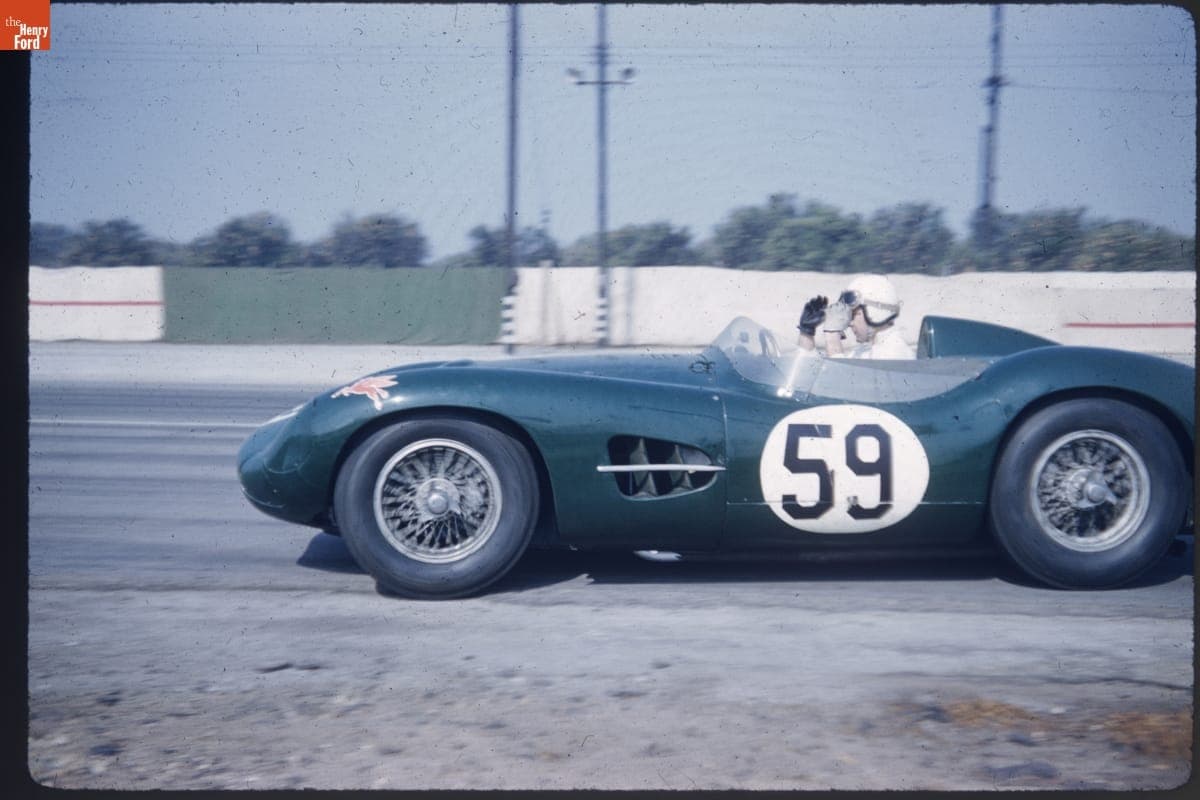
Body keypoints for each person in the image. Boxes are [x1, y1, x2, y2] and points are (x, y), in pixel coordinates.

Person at [796, 274, 914, 359]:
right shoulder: (864, 350)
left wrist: (832, 336)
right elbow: (816, 373)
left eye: (853, 315)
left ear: (874, 312)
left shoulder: (894, 353)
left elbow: (843, 385)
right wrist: (807, 333)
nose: (849, 323)